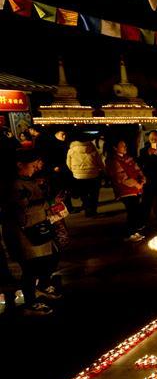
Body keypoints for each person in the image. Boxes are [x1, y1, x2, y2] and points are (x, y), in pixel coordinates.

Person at [3, 150, 61, 315]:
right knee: (29, 268)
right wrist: (47, 202)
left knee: (46, 260)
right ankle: (30, 302)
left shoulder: (26, 181)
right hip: (23, 232)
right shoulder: (14, 185)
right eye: (33, 163)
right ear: (19, 164)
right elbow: (22, 209)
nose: (36, 167)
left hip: (35, 229)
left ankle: (41, 287)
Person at [107, 140, 146, 242]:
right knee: (132, 210)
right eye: (122, 146)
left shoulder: (128, 157)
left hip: (135, 188)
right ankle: (129, 233)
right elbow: (122, 178)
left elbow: (138, 170)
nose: (125, 147)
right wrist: (137, 184)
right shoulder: (113, 160)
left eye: (125, 145)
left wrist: (142, 180)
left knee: (135, 210)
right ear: (115, 148)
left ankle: (134, 231)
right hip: (125, 190)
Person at [66, 133, 105, 217]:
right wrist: (102, 169)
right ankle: (92, 211)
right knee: (94, 194)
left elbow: (68, 164)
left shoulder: (71, 150)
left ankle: (86, 208)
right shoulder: (92, 148)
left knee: (83, 194)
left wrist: (74, 171)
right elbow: (99, 162)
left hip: (78, 176)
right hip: (93, 175)